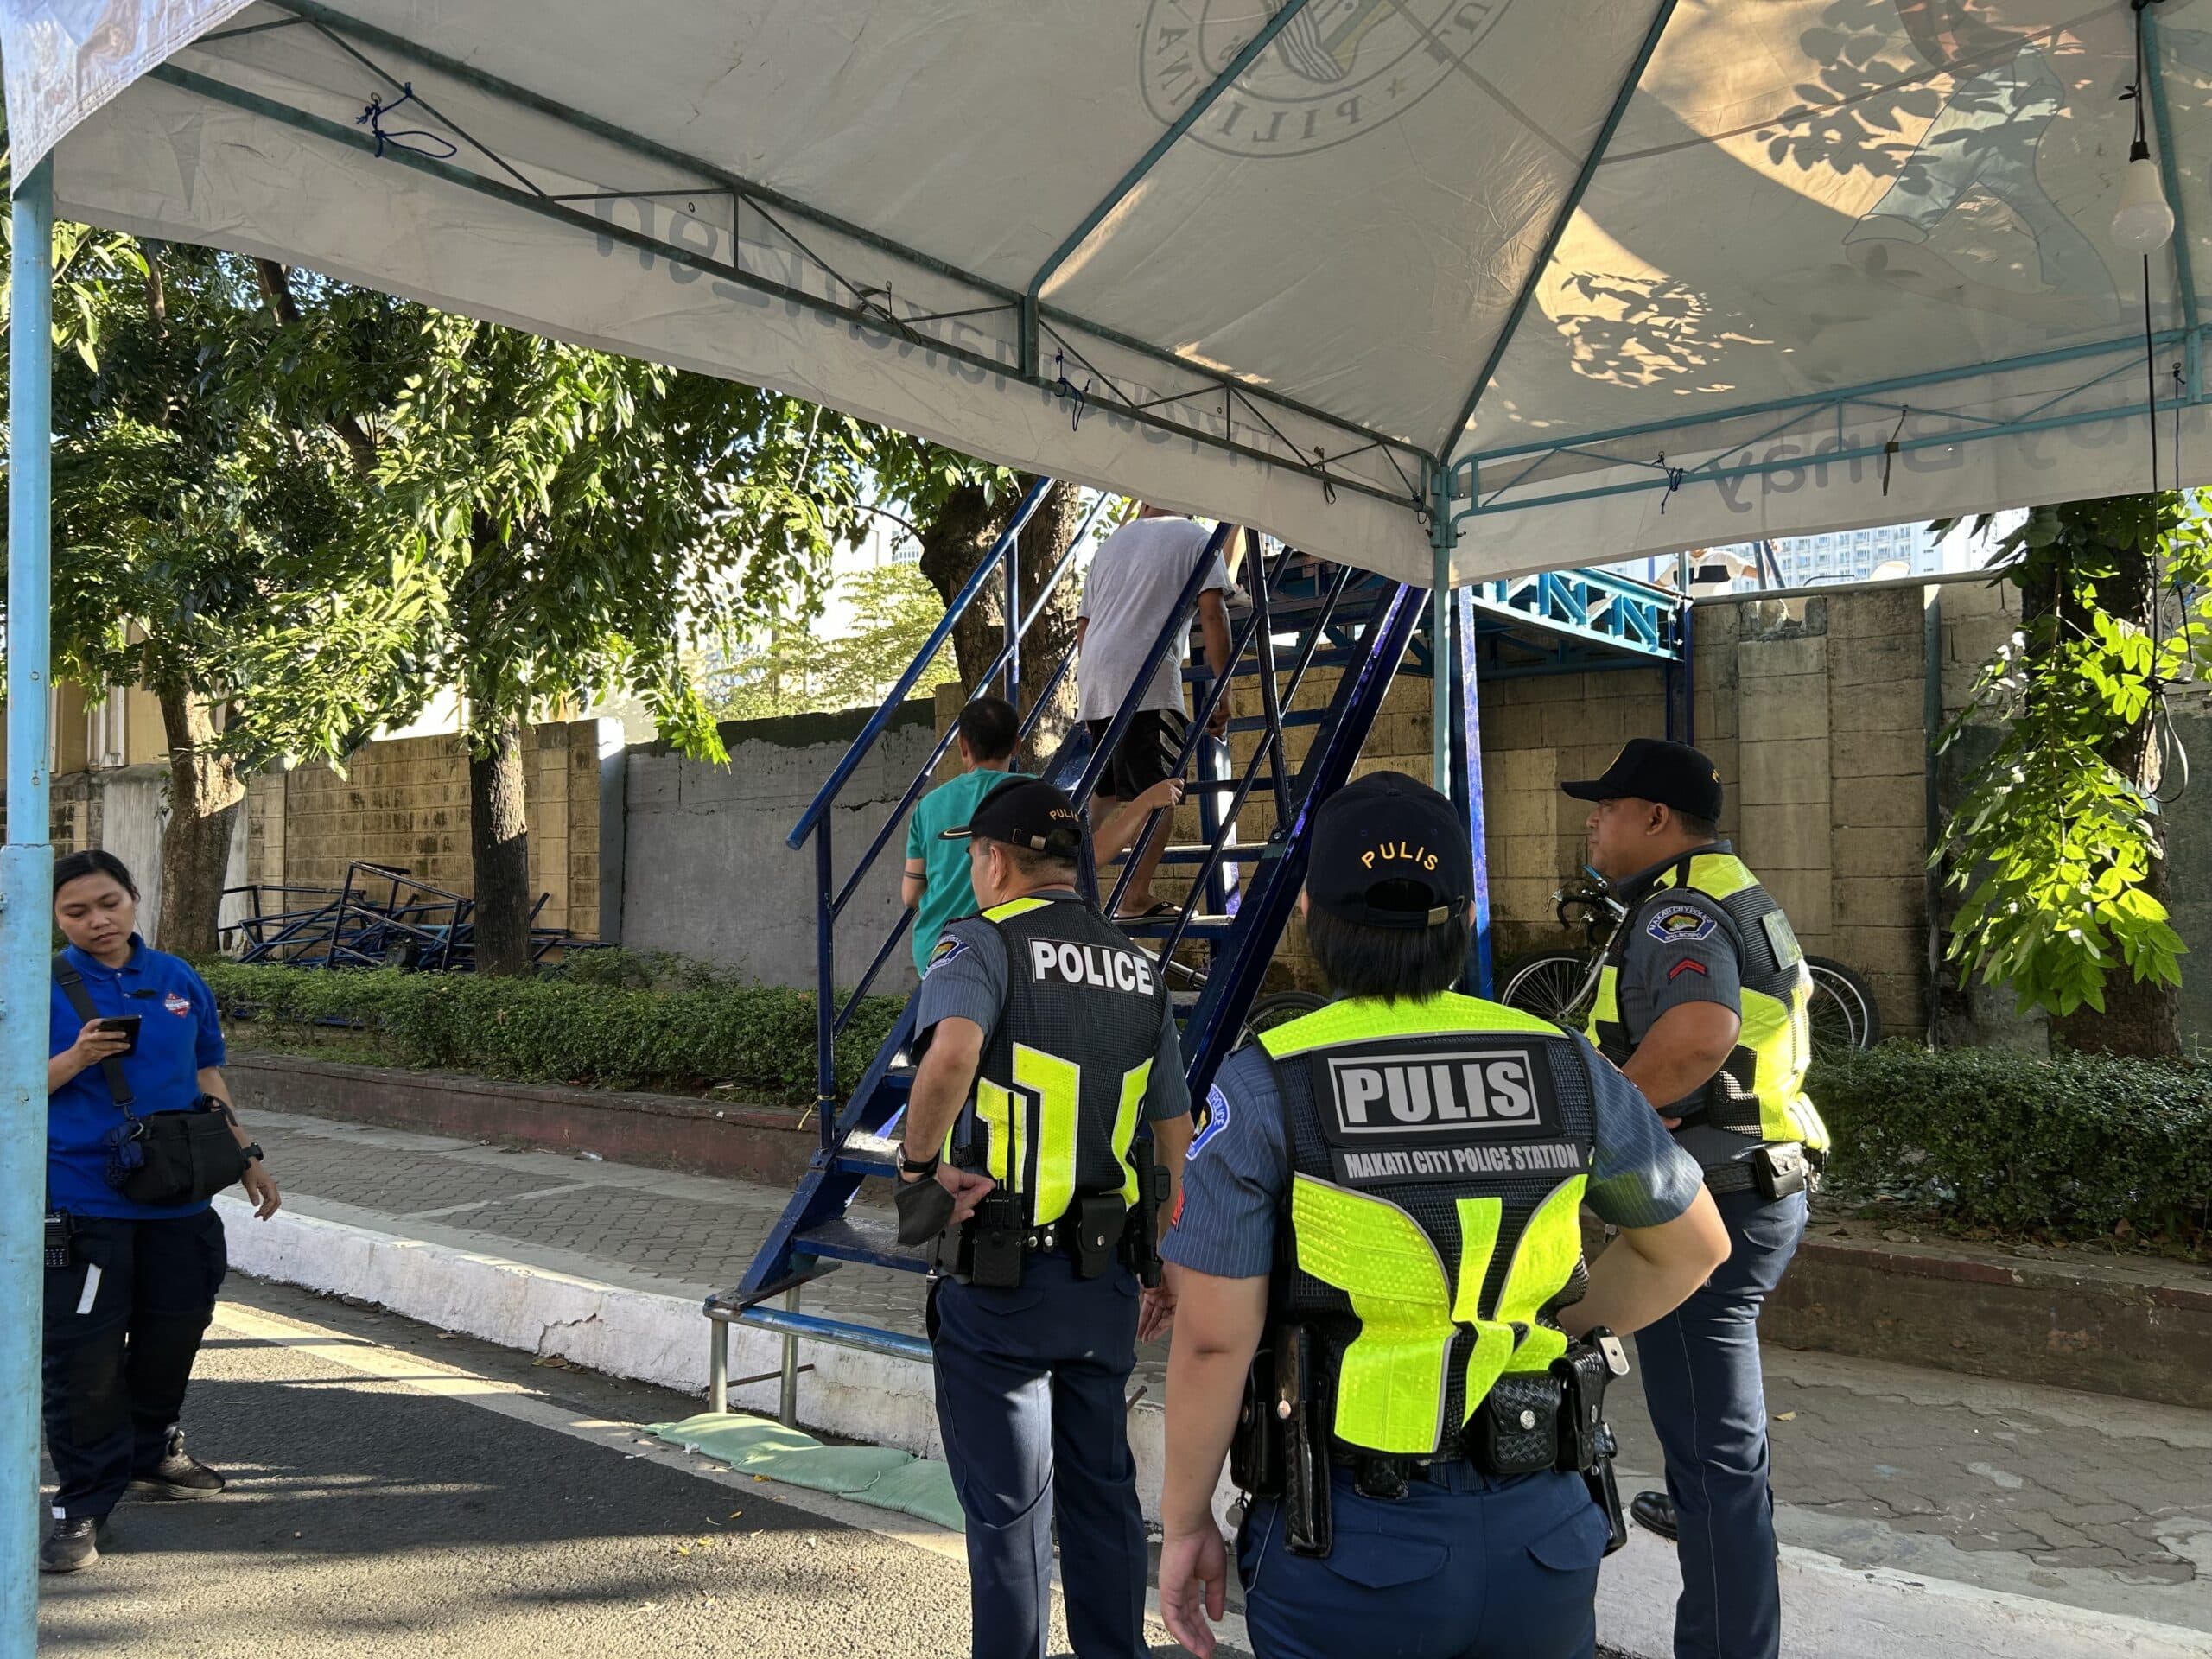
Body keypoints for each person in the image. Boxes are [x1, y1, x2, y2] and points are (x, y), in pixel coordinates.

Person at [1156, 771, 1731, 1659]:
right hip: (1542, 1527)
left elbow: (1211, 1341)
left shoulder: (1268, 1082)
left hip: (1348, 1542)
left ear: (1310, 908)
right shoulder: (1564, 1063)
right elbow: (1691, 1247)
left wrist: (1186, 1520)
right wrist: (1540, 1323)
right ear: (1463, 918)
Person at [894, 777, 1195, 1659]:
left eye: (976, 858)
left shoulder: (980, 944)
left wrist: (917, 1164)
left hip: (1001, 1275)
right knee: (1102, 1495)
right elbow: (1172, 1135)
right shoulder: (1138, 969)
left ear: (993, 861)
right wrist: (1164, 1260)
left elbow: (951, 1051)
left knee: (1009, 1513)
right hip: (1103, 1279)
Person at [1560, 738, 1833, 1659]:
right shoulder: (1726, 887)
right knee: (1717, 1447)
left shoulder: (1680, 910)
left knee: (1716, 1460)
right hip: (1751, 1184)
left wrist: (1598, 1136)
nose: (1590, 821)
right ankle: (1709, 1521)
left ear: (1654, 820)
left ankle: (1726, 1639)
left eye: (1605, 806)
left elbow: (1695, 1038)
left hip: (1708, 1199)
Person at [41, 849, 283, 1574]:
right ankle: (82, 1504)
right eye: (76, 911)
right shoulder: (34, 983)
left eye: (108, 903)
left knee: (172, 1336)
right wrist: (76, 1060)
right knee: (83, 1362)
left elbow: (207, 1071)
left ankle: (151, 1449)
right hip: (84, 1203)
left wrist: (245, 1154)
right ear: (55, 919)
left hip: (179, 1201)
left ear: (134, 898)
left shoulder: (176, 978)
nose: (97, 921)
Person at [905, 695, 1184, 975]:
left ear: (962, 744)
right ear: (1016, 745)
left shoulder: (927, 806)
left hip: (935, 948)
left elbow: (911, 894)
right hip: (1005, 945)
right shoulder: (1032, 794)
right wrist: (1142, 804)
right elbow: (1088, 856)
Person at [1075, 504, 1236, 918]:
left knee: (1105, 795)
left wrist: (1095, 685)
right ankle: (1134, 897)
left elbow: (1084, 626)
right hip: (1145, 677)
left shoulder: (1110, 544)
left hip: (1096, 678)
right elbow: (1214, 613)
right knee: (1160, 793)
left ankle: (1062, 884)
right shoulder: (1197, 538)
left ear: (1144, 504)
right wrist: (1224, 687)